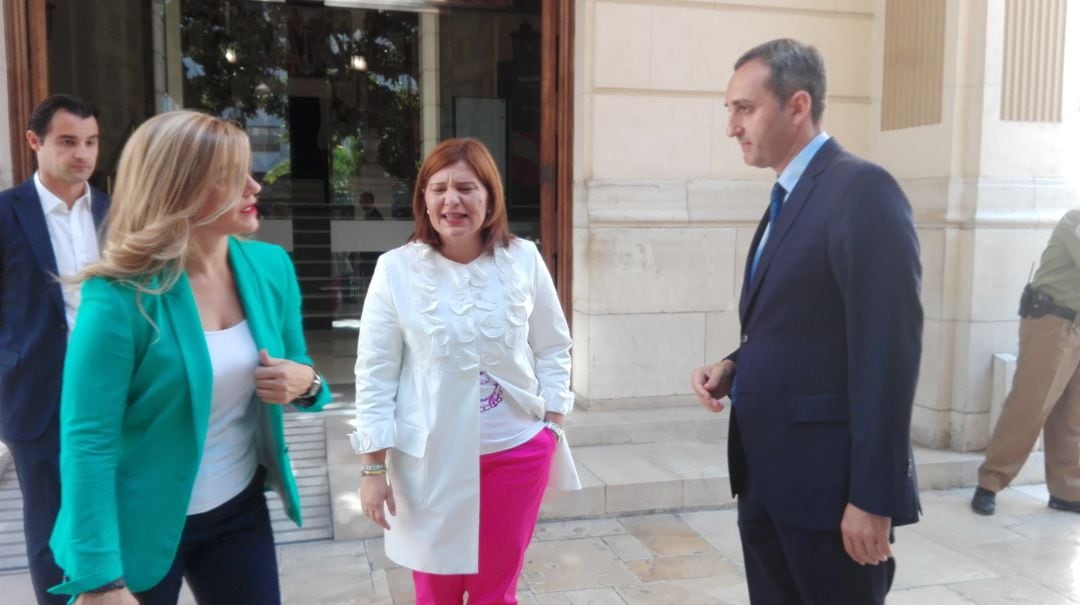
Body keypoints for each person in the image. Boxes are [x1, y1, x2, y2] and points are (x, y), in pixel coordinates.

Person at [47, 111, 330, 605]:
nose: (254, 187)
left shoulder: (270, 267)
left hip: (238, 510)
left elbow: (303, 370)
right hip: (138, 525)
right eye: (232, 176)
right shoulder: (117, 296)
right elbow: (86, 441)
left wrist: (306, 382)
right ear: (181, 187)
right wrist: (100, 579)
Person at [690, 39, 922, 604]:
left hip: (829, 491)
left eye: (744, 109)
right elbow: (800, 323)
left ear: (797, 106)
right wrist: (735, 364)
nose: (731, 127)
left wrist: (873, 497)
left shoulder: (862, 191)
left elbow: (888, 353)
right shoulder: (789, 197)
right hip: (768, 479)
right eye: (730, 111)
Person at [350, 137, 580, 604]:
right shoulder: (395, 270)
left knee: (497, 592)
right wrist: (373, 467)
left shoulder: (523, 258)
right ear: (424, 200)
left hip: (516, 455)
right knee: (435, 593)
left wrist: (551, 427)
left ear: (490, 198)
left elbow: (554, 346)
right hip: (428, 462)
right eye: (438, 188)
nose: (451, 200)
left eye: (466, 188)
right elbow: (375, 374)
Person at [0, 94, 107, 605]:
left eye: (90, 142)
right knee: (48, 529)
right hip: (37, 393)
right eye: (68, 142)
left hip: (113, 392)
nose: (82, 154)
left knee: (112, 515)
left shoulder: (117, 212)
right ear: (34, 142)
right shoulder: (4, 214)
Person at [971, 211, 1080, 516]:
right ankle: (990, 482)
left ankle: (1067, 492)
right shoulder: (1076, 219)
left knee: (1072, 414)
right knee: (1030, 405)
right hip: (1054, 322)